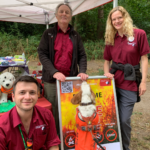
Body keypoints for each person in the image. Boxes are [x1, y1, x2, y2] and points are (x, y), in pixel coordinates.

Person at [103, 6, 149, 150]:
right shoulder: (110, 38)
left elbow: (144, 59)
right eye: (114, 19)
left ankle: (125, 147)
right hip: (113, 83)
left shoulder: (139, 34)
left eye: (119, 18)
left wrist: (143, 82)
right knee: (109, 118)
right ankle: (112, 145)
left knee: (123, 120)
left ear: (125, 17)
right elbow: (106, 61)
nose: (117, 21)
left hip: (130, 83)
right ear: (111, 22)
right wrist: (106, 73)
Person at [38, 3, 88, 129]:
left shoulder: (75, 36)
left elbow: (82, 55)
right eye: (61, 11)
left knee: (69, 107)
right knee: (53, 110)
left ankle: (67, 137)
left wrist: (82, 71)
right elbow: (42, 54)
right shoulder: (48, 33)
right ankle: (54, 140)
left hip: (70, 80)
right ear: (56, 15)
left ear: (71, 16)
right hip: (52, 80)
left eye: (67, 12)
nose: (64, 14)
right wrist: (54, 72)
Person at [0, 75, 60, 150]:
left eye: (32, 92)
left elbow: (52, 144)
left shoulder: (47, 115)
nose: (28, 97)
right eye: (22, 92)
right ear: (13, 97)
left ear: (37, 95)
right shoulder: (2, 125)